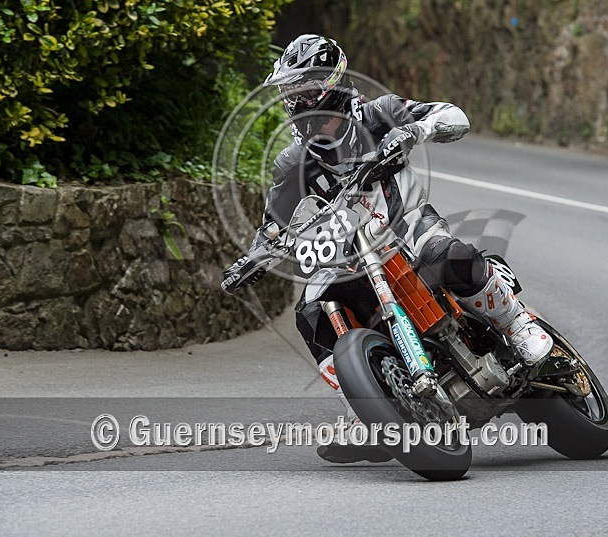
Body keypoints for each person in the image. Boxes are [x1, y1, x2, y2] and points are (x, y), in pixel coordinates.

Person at [222, 34, 552, 463]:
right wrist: (253, 258)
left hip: (409, 226)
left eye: (304, 90)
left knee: (442, 254)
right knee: (309, 313)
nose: (297, 102)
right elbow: (274, 225)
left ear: (331, 84)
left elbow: (454, 116)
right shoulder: (293, 162)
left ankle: (515, 323)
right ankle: (361, 409)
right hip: (350, 251)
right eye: (291, 93)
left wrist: (416, 130)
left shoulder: (379, 113)